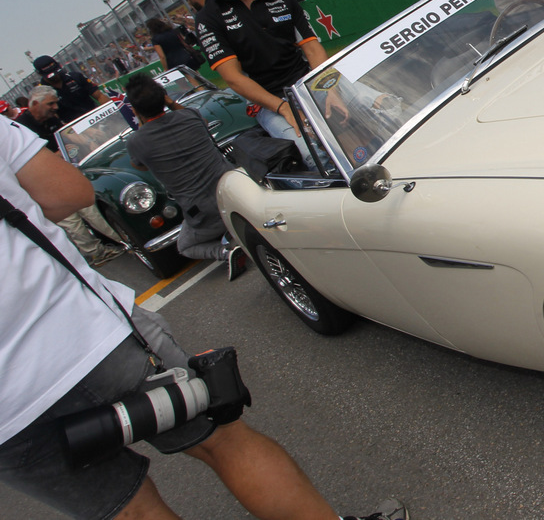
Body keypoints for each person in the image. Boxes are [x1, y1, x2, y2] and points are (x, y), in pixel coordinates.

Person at [0, 118, 407, 520]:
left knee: (127, 510)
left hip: (7, 414)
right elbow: (67, 193)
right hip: (83, 332)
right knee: (223, 440)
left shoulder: (142, 141)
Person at [194, 0, 339, 168]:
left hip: (309, 83)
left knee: (382, 105)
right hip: (270, 101)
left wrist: (330, 86)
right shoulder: (209, 19)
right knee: (312, 153)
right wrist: (283, 107)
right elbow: (234, 79)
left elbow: (313, 49)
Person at [123, 75, 247, 278]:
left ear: (135, 111)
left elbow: (140, 165)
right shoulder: (190, 116)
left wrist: (142, 124)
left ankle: (226, 252)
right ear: (164, 98)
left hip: (203, 213)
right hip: (234, 192)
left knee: (185, 246)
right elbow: (203, 121)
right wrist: (170, 103)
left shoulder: (136, 142)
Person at [16, 86, 127, 266]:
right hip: (42, 184)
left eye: (55, 103)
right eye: (50, 103)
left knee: (90, 208)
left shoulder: (52, 118)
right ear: (35, 103)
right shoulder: (22, 128)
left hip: (64, 175)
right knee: (71, 222)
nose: (55, 107)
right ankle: (95, 254)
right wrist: (59, 155)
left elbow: (68, 133)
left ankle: (123, 240)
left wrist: (89, 136)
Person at [32, 56, 109, 123]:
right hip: (74, 126)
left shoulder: (75, 77)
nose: (55, 76)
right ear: (40, 74)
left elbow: (99, 96)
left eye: (56, 72)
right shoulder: (42, 93)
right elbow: (53, 118)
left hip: (96, 116)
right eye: (51, 76)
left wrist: (110, 109)